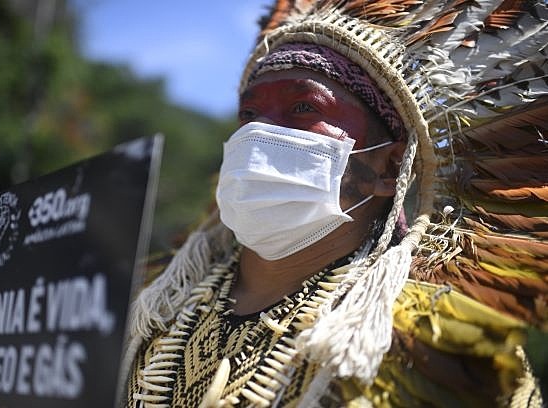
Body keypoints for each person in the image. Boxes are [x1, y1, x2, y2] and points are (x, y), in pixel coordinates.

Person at [119, 1, 547, 406]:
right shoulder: (147, 313)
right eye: (249, 114)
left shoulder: (435, 343)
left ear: (390, 168)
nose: (259, 135)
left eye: (303, 107)